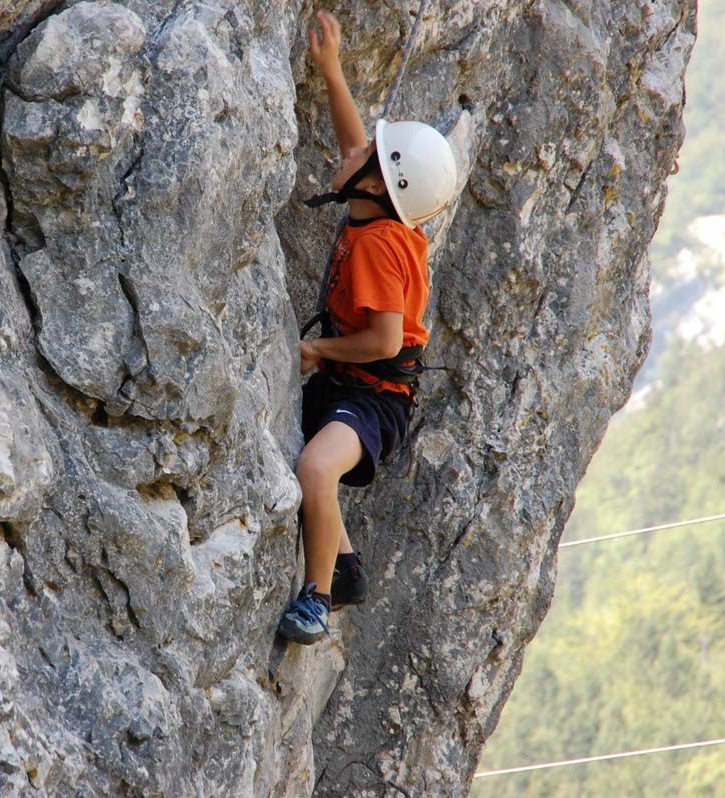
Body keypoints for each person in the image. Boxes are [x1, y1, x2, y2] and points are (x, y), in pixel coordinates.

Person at [277, 10, 459, 645]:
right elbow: (361, 150)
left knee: (314, 468)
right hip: (354, 382)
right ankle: (346, 567)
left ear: (379, 184)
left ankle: (316, 598)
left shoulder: (379, 245)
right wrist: (332, 71)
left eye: (364, 159)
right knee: (301, 448)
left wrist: (315, 347)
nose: (349, 154)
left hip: (373, 395)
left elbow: (384, 341)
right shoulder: (378, 208)